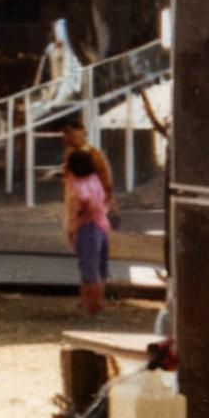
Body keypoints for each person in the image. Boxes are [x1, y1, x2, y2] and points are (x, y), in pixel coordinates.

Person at [65, 148, 111, 318]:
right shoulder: (95, 179)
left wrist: (75, 224)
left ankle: (92, 306)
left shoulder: (78, 184)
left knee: (89, 269)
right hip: (101, 225)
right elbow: (102, 200)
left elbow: (84, 202)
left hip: (87, 227)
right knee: (99, 268)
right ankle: (92, 302)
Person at [60, 124, 117, 227]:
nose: (66, 138)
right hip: (76, 200)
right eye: (66, 135)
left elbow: (106, 178)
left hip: (90, 203)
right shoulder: (69, 153)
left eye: (70, 134)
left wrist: (108, 199)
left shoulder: (94, 154)